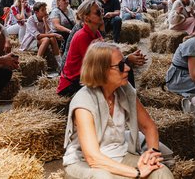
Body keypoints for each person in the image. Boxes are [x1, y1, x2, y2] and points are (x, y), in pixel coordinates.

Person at [63, 42, 174, 179]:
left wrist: (151, 155)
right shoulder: (84, 103)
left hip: (119, 155)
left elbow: (148, 126)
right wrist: (138, 173)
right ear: (101, 70)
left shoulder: (125, 90)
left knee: (160, 172)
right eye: (121, 65)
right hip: (85, 163)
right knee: (103, 177)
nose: (127, 68)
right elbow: (93, 158)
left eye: (125, 63)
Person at [57, 0, 104, 96]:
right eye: (98, 12)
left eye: (102, 11)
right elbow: (95, 64)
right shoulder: (82, 35)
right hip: (71, 83)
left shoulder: (96, 32)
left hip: (83, 76)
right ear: (86, 18)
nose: (102, 14)